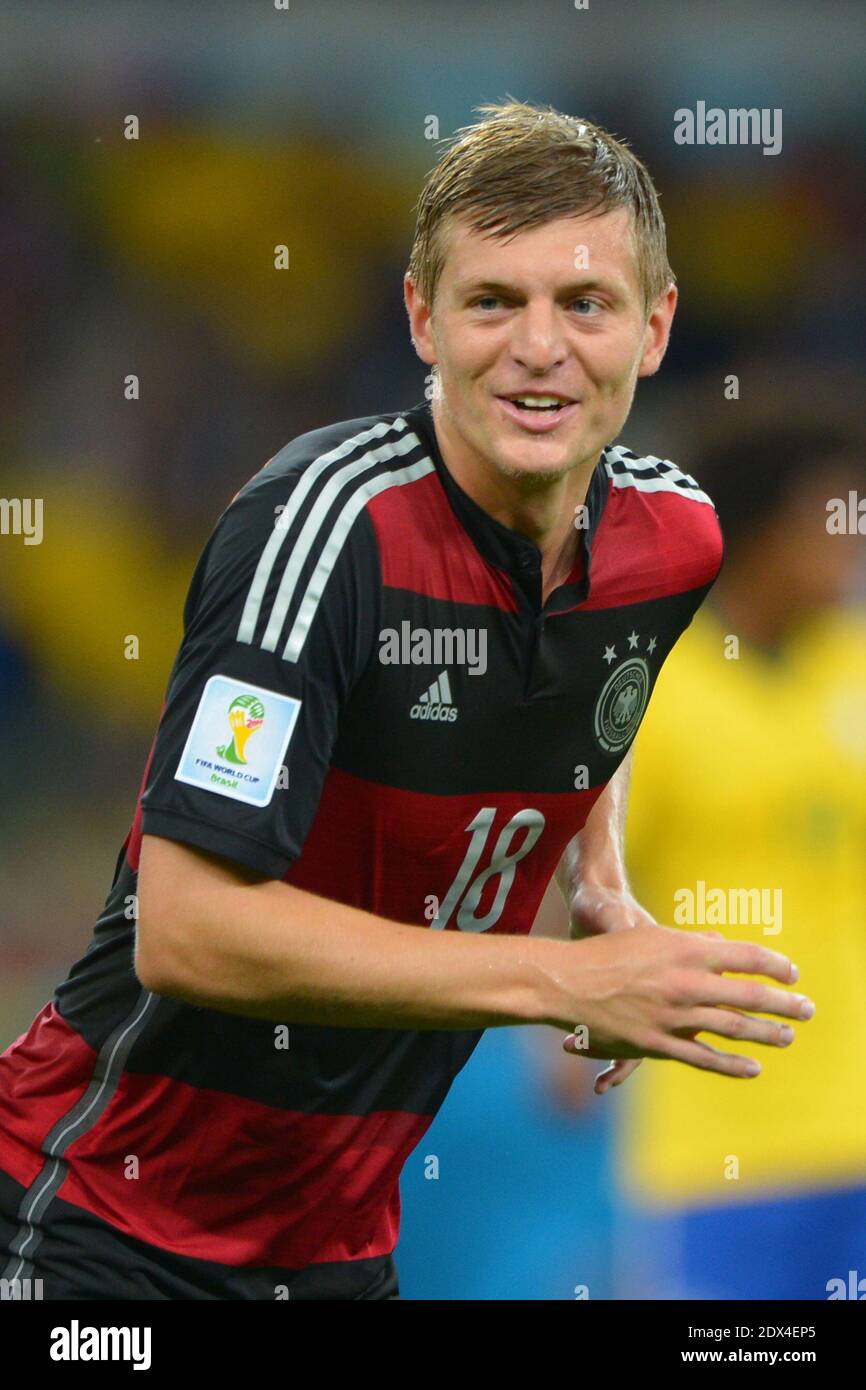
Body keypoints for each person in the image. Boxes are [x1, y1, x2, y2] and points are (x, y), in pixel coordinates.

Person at [0, 99, 812, 1302]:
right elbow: (186, 925)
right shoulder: (328, 531)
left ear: (654, 329)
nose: (539, 346)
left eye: (583, 303)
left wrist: (598, 887)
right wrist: (560, 981)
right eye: (492, 301)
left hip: (337, 1243)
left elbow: (600, 682)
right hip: (105, 1222)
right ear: (422, 319)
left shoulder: (675, 537)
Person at [616, 416, 866, 1299]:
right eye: (830, 514)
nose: (853, 534)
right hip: (718, 1144)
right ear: (760, 525)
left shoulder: (858, 666)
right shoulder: (655, 689)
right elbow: (583, 891)